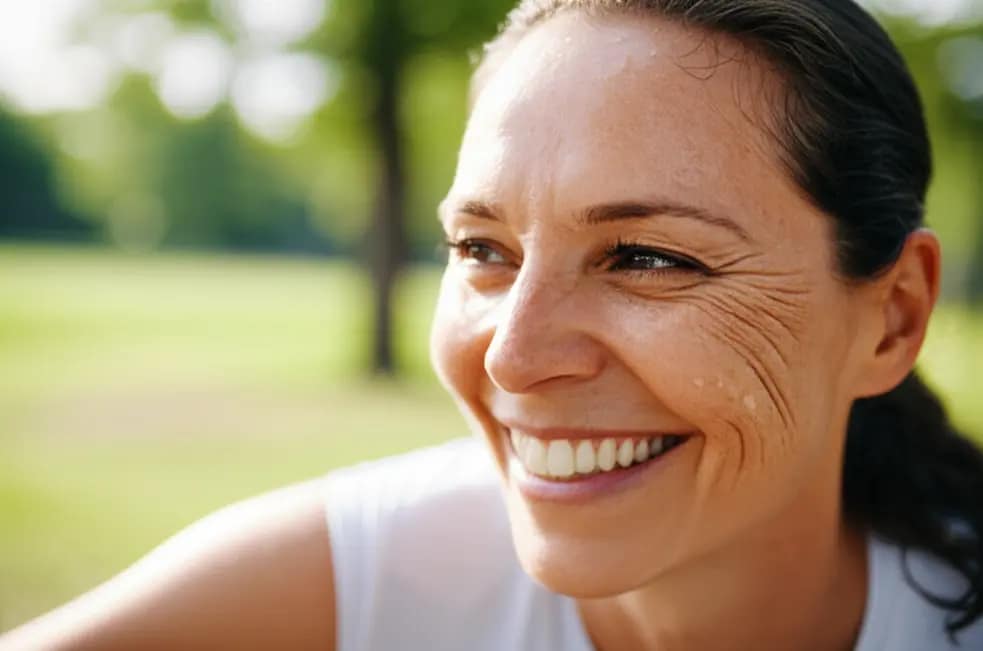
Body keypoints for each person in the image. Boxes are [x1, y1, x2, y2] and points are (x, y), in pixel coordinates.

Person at [3, 0, 983, 649]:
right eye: (481, 250)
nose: (512, 356)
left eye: (647, 259)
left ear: (889, 320)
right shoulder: (352, 585)